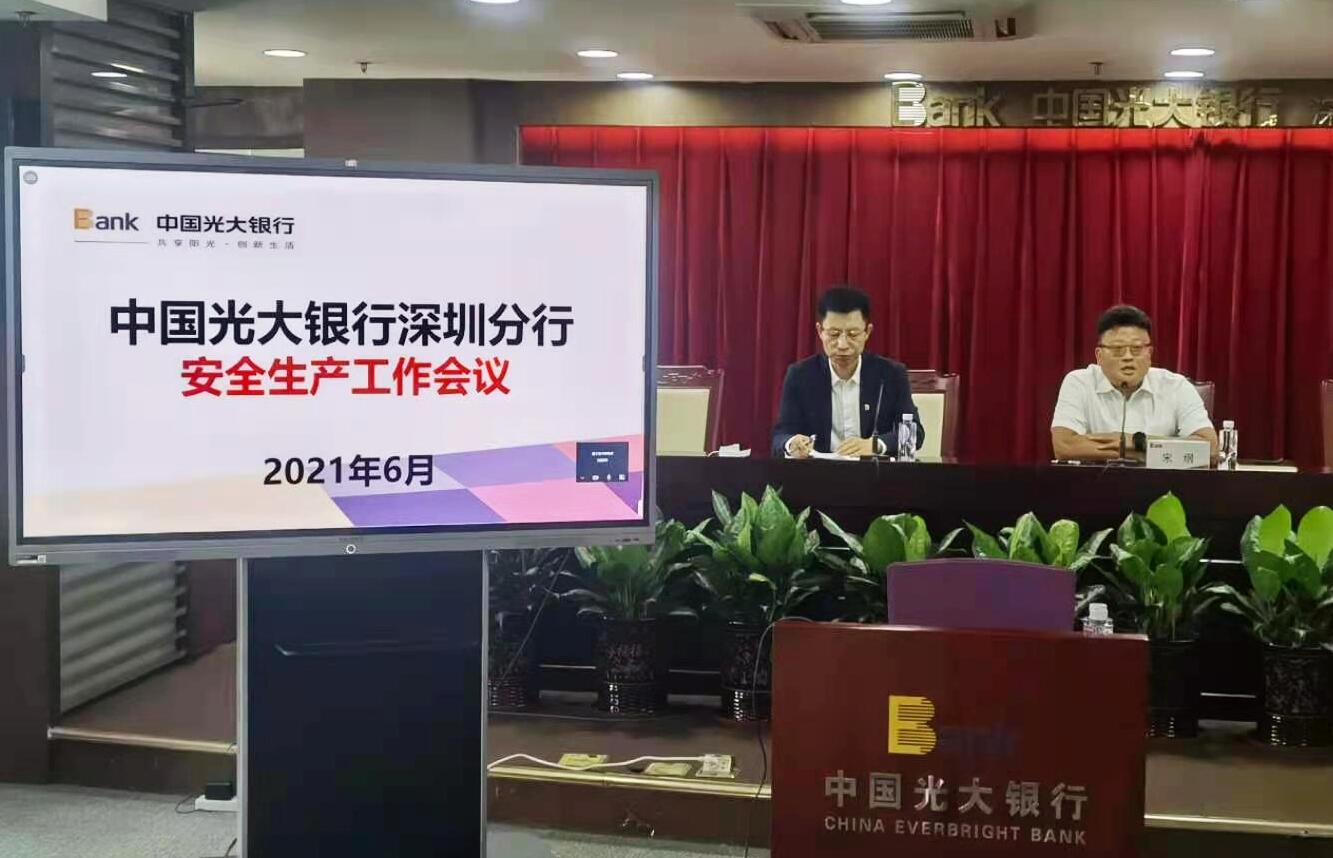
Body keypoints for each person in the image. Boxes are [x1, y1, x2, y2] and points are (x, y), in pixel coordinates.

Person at [771, 285, 923, 459]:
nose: (842, 345)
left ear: (867, 332)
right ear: (820, 331)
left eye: (853, 334)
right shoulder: (800, 375)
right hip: (818, 472)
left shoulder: (891, 374)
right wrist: (791, 444)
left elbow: (915, 434)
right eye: (834, 334)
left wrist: (874, 445)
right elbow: (780, 436)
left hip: (874, 472)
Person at [1051, 305, 1218, 462]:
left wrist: (1135, 441)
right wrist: (1148, 453)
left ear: (1149, 354)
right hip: (1096, 481)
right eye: (1118, 349)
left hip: (1161, 482)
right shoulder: (1079, 382)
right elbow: (1064, 446)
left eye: (1136, 349)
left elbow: (1210, 450)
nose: (1128, 357)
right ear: (1099, 356)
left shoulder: (1176, 386)